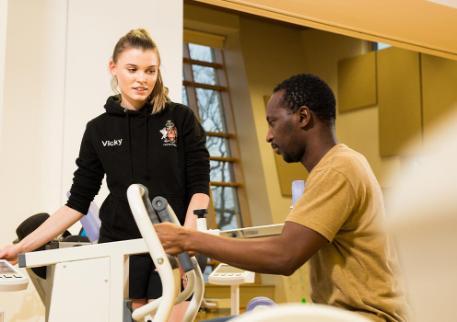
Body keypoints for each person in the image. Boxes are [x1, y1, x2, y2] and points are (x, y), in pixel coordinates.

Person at [155, 74, 407, 322]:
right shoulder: (337, 166)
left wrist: (190, 239)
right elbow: (287, 243)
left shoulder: (337, 169)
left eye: (273, 122)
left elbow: (285, 256)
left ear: (303, 117)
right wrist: (199, 240)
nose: (268, 136)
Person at [0, 28, 210, 320]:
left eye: (150, 71)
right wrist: (20, 247)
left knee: (173, 315)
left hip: (176, 242)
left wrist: (188, 244)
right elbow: (77, 202)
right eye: (132, 69)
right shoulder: (99, 129)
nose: (142, 79)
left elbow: (200, 189)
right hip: (123, 244)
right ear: (113, 68)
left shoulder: (180, 118)